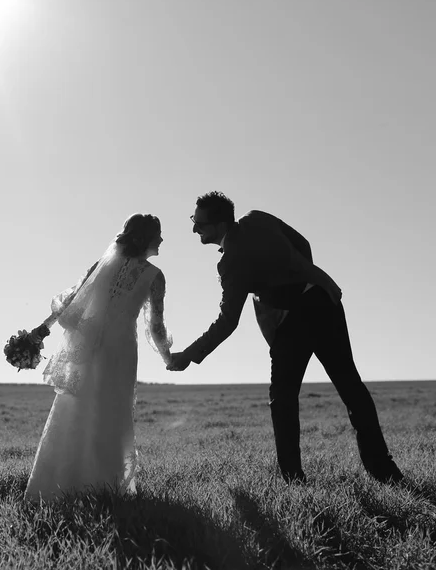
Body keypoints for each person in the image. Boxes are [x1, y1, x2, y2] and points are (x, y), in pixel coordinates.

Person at [168, 191, 403, 485]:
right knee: (351, 386)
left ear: (219, 224)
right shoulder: (258, 217)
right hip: (323, 301)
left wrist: (189, 355)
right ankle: (384, 471)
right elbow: (303, 244)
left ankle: (293, 479)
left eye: (199, 223)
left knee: (283, 398)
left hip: (294, 319)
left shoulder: (231, 262)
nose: (194, 228)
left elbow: (228, 321)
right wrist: (307, 280)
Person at [24, 214, 172, 503]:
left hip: (89, 347)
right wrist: (168, 356)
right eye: (159, 234)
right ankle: (105, 487)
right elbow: (156, 326)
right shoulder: (154, 276)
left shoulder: (101, 266)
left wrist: (41, 331)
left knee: (74, 409)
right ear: (145, 238)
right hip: (119, 350)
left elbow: (70, 305)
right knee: (112, 411)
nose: (162, 240)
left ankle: (59, 483)